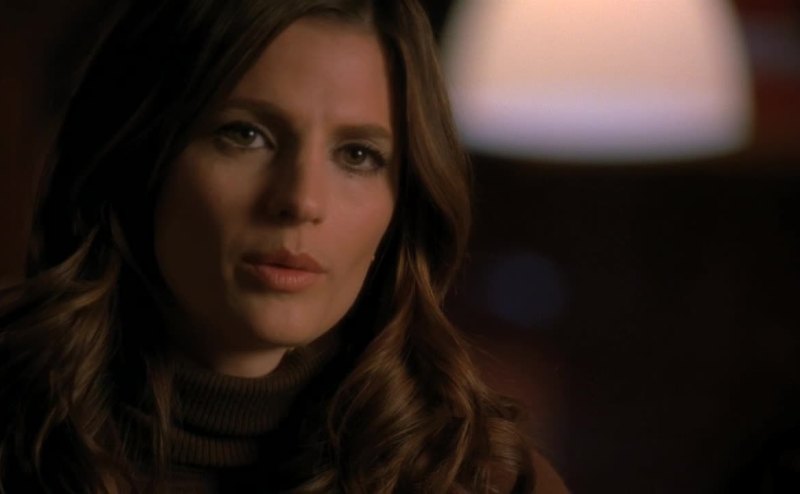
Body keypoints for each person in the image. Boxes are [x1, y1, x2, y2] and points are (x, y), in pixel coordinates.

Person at [0, 0, 568, 492]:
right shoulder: (18, 438)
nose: (300, 200)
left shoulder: (483, 479)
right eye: (246, 135)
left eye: (358, 155)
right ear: (141, 158)